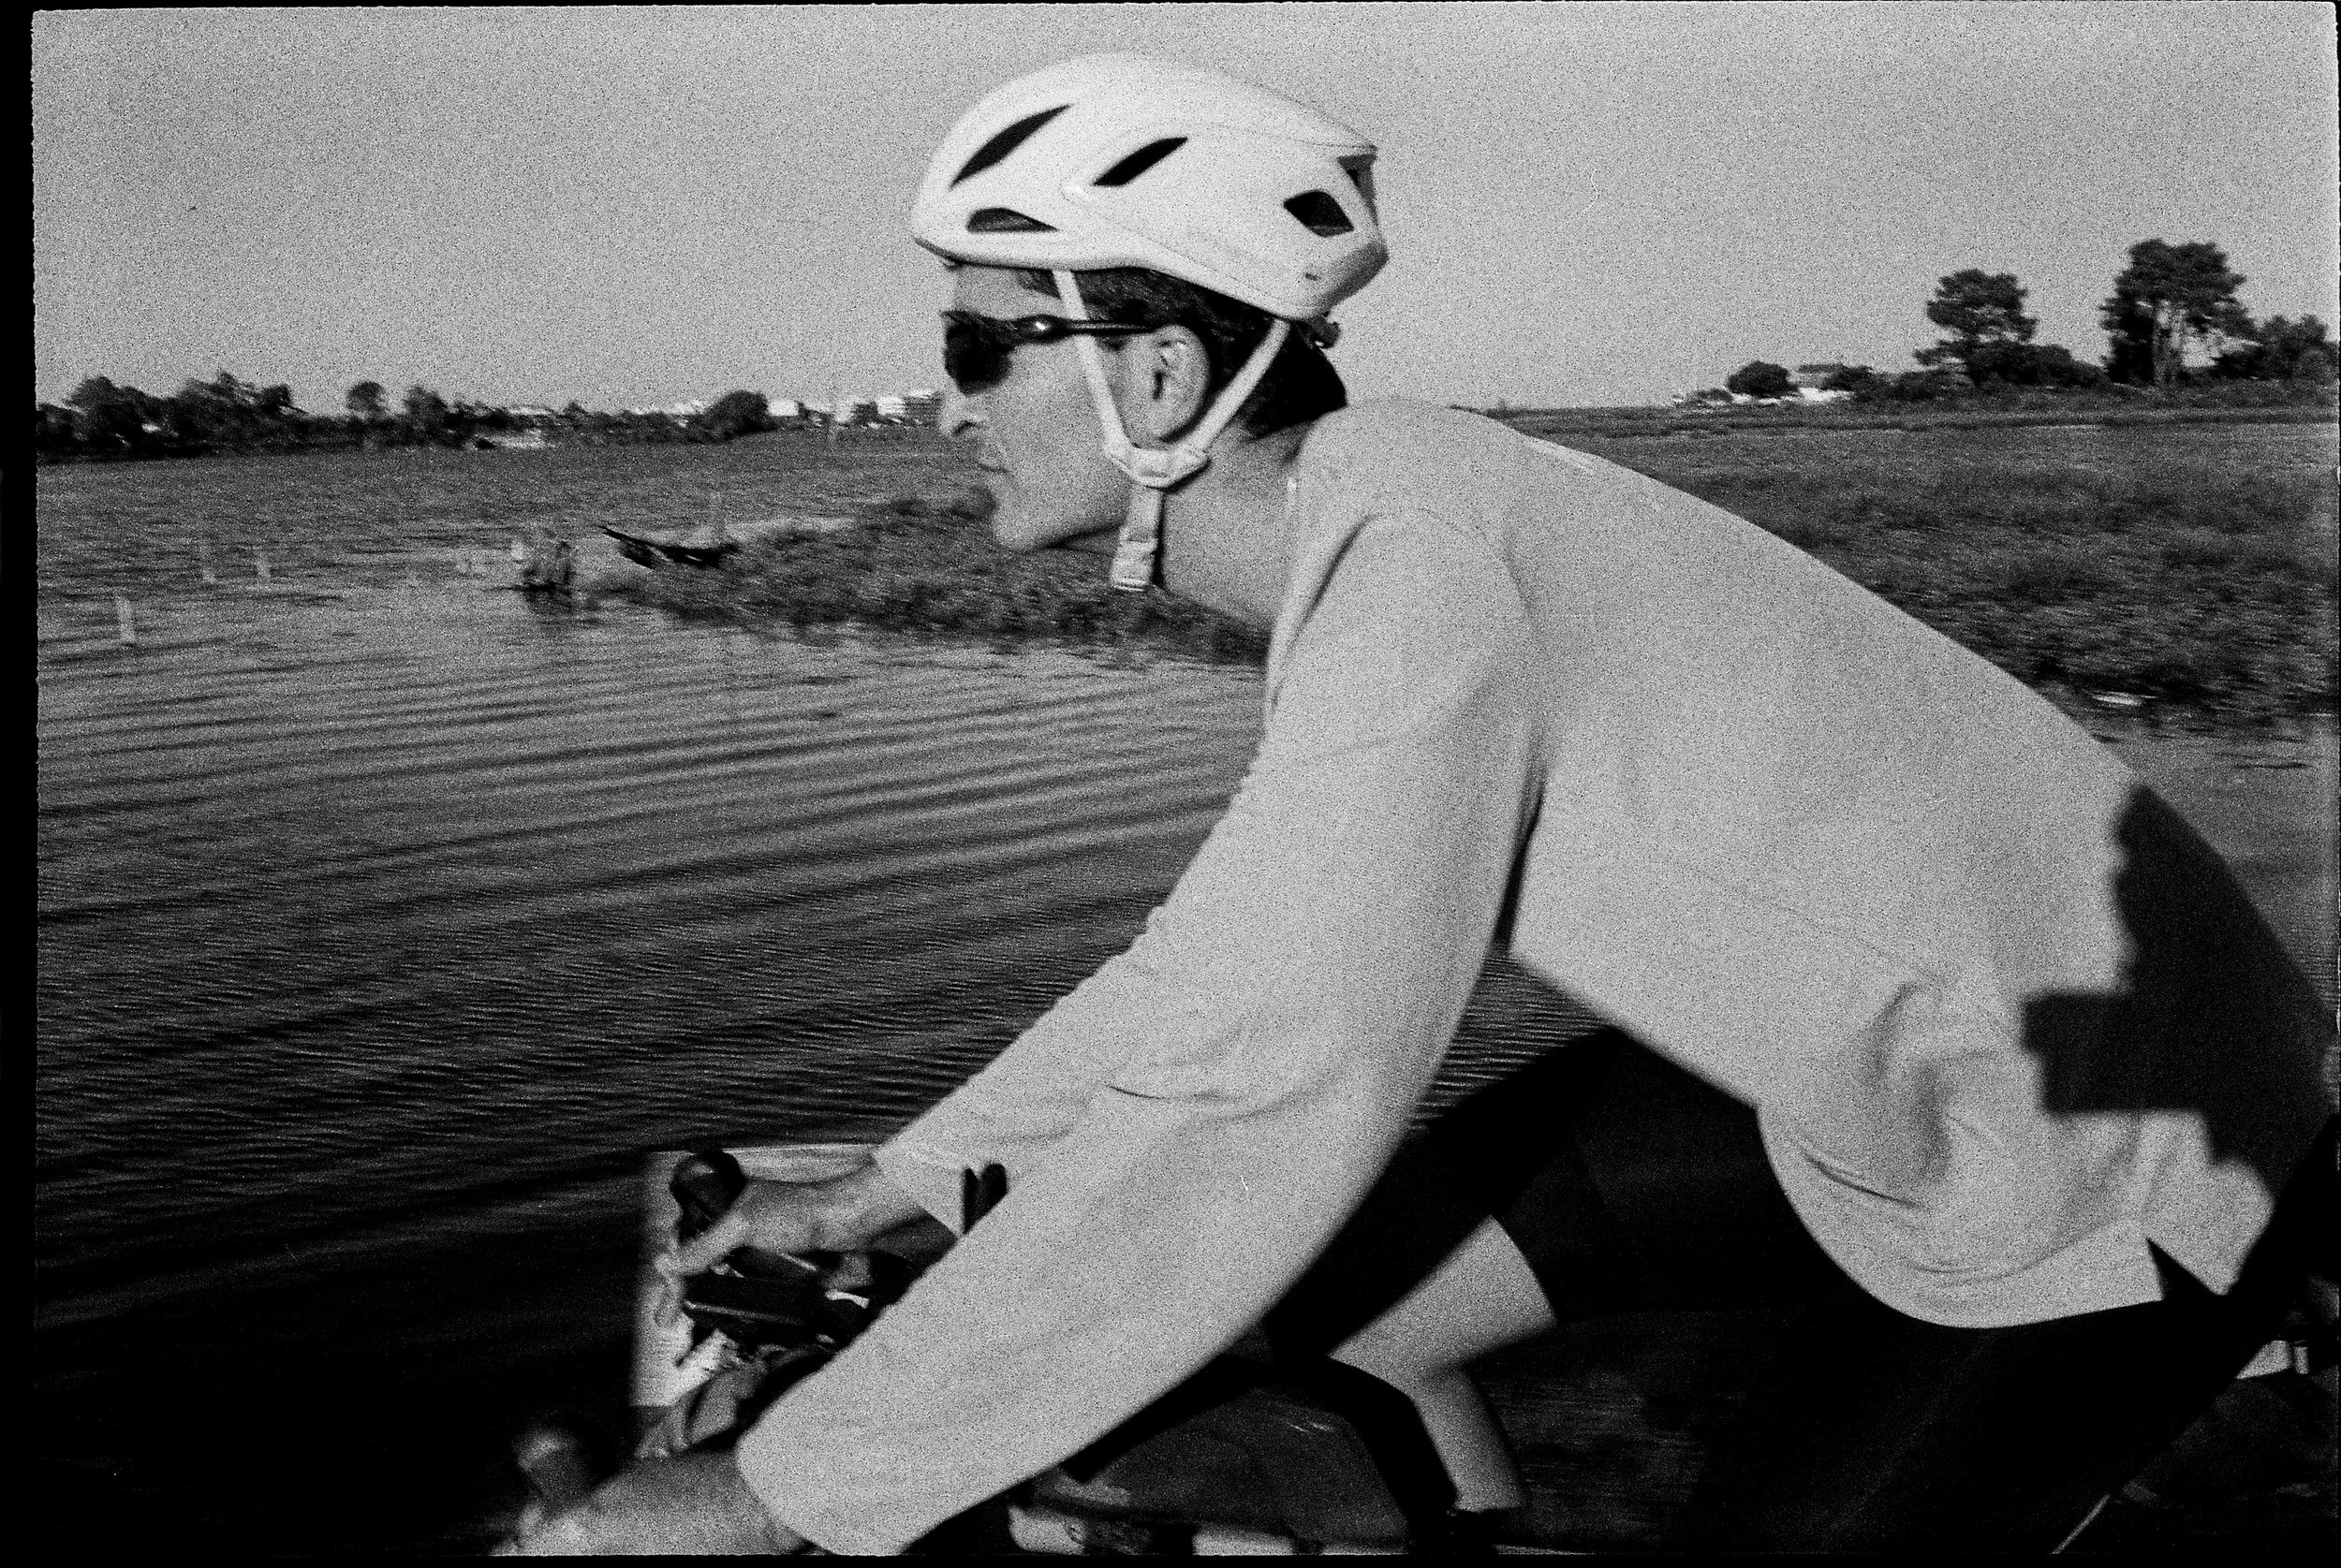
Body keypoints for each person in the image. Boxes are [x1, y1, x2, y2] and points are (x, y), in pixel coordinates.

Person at [506, 53, 2334, 1555]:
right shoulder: (1390, 512)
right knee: (1324, 1334)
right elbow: (1222, 969)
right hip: (1898, 1056)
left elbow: (1256, 1107)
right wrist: (891, 1192)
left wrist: (773, 1494)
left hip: (2104, 1170)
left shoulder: (1421, 587)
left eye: (977, 347)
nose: (943, 404)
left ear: (1147, 374)